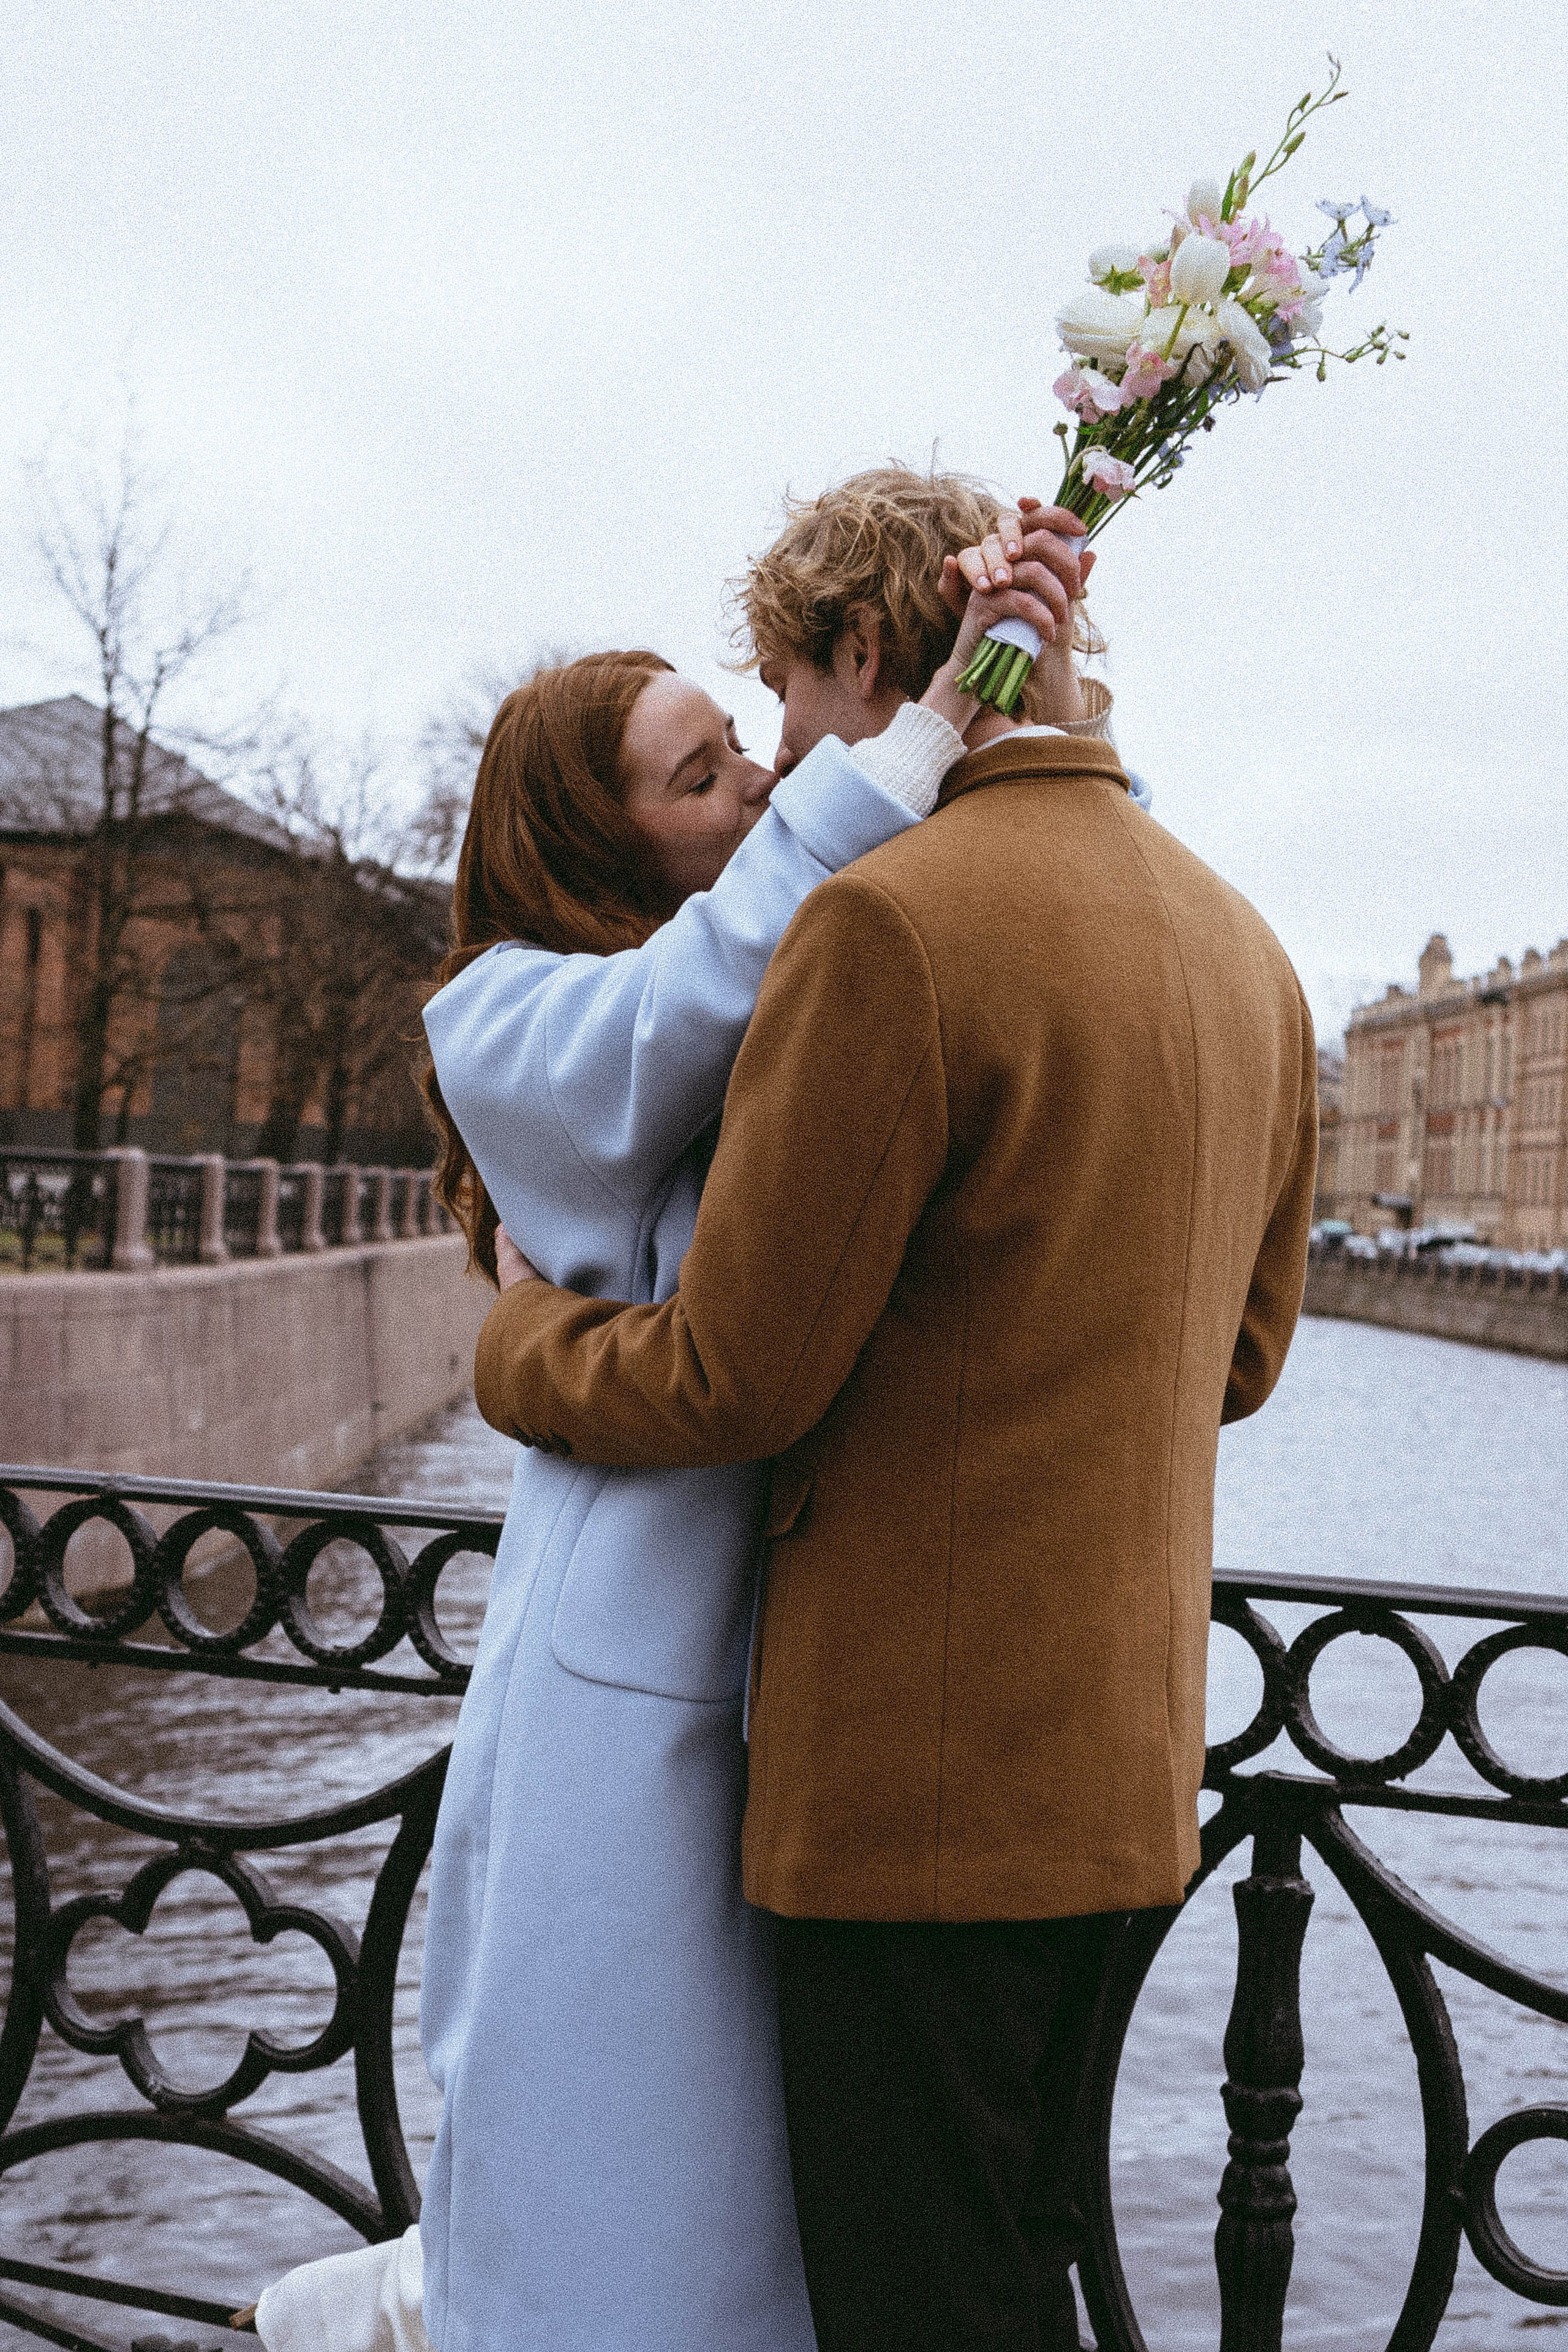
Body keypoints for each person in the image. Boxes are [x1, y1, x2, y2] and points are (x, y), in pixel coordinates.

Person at [246, 476, 1121, 2352]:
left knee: (742, 2156)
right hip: (632, 1659)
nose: (752, 782)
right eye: (700, 769)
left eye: (750, 745)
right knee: (616, 2118)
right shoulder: (509, 1008)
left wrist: (1029, 662)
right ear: (595, 834)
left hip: (808, 1655)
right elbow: (681, 1016)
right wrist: (935, 716)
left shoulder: (802, 970)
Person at [470, 469, 1319, 2352]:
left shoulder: (892, 930)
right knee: (1020, 2273)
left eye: (778, 696)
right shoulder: (1248, 951)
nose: (781, 765)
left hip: (909, 1807)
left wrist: (517, 1350)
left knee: (915, 2305)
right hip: (1124, 1782)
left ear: (870, 654)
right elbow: (1241, 1364)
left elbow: (733, 1374)